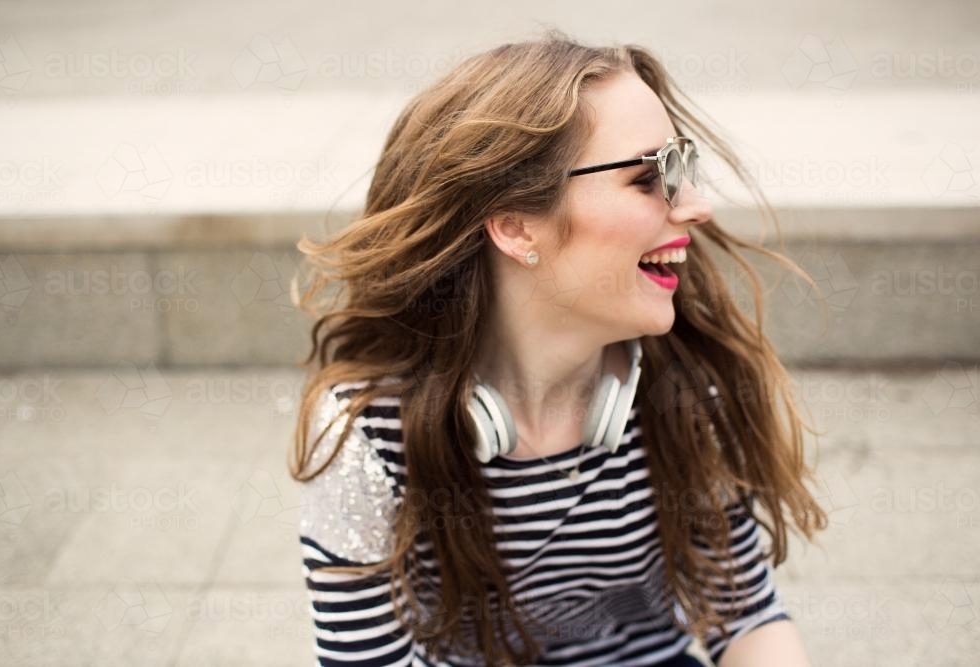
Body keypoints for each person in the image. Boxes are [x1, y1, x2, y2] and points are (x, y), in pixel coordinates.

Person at [290, 31, 829, 667]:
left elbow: (746, 617)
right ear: (517, 226)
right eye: (648, 178)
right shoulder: (367, 433)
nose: (697, 207)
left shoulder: (688, 385)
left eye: (682, 169)